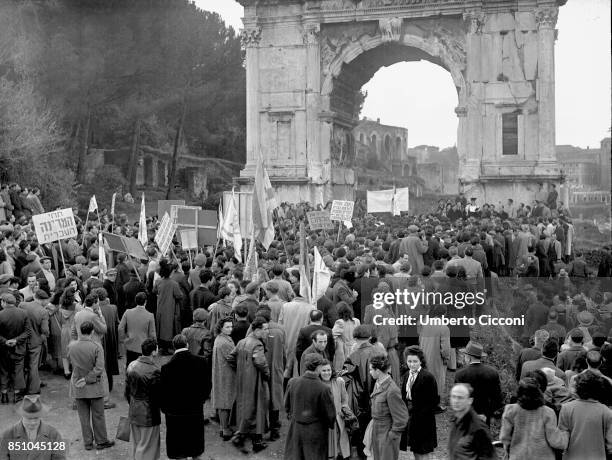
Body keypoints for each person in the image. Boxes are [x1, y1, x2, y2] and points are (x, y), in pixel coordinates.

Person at [159, 334, 208, 460]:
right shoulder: (201, 362)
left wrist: (166, 410)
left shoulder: (166, 368)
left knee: (179, 451)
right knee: (196, 449)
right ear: (187, 345)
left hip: (175, 415)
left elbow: (163, 392)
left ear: (174, 346)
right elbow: (207, 385)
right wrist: (200, 400)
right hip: (195, 411)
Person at [67, 321, 114, 451]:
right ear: (92, 332)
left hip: (78, 385)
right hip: (94, 386)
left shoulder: (71, 346)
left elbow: (70, 361)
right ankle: (101, 441)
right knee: (98, 415)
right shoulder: (97, 346)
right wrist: (87, 379)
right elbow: (99, 368)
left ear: (80, 331)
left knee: (83, 417)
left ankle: (88, 442)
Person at [227, 318, 270, 454]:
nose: (267, 332)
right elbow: (260, 362)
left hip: (242, 380)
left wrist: (239, 369)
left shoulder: (241, 342)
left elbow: (230, 357)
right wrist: (267, 374)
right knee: (258, 408)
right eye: (265, 329)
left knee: (246, 407)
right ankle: (251, 440)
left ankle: (244, 436)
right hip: (255, 380)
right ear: (257, 330)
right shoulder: (257, 344)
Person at [499, 378, 568, 460]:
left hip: (519, 456)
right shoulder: (548, 412)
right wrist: (565, 435)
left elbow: (504, 437)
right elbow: (554, 441)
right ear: (538, 392)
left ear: (519, 392)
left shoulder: (510, 410)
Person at [284, 353, 336, 460]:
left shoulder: (293, 382)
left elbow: (286, 406)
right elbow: (331, 416)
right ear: (318, 367)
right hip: (316, 432)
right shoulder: (323, 388)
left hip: (296, 430)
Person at [558, 371, 612, 460]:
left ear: (578, 388)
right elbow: (610, 444)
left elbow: (562, 440)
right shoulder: (606, 411)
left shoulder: (566, 408)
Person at [366, 353, 408, 460]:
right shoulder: (378, 383)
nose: (370, 372)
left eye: (371, 369)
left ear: (378, 371)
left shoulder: (392, 390)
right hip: (377, 430)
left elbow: (401, 417)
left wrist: (392, 435)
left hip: (386, 432)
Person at [400, 346, 439, 460]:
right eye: (409, 361)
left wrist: (420, 413)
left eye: (415, 361)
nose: (412, 364)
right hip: (412, 418)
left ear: (421, 361)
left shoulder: (427, 377)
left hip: (424, 420)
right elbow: (404, 395)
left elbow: (434, 401)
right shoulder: (407, 375)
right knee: (415, 449)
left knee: (424, 450)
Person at [125, 338, 161, 460]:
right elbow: (158, 395)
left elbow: (127, 391)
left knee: (137, 444)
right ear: (153, 352)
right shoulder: (154, 371)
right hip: (148, 414)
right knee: (147, 447)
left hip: (134, 410)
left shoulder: (131, 365)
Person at [0, 394, 66, 459]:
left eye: (36, 418)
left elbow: (60, 458)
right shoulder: (8, 435)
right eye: (29, 418)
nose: (32, 422)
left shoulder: (53, 434)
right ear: (22, 415)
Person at [454, 341, 503, 426]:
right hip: (484, 417)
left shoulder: (460, 374)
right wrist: (488, 414)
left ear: (468, 357)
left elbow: (458, 398)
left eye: (465, 355)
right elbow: (497, 398)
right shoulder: (492, 372)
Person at [447, 383, 494, 460]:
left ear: (470, 400)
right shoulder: (455, 420)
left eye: (460, 398)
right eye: (453, 396)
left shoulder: (478, 429)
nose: (456, 401)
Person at [319, 359, 353, 460]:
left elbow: (344, 400)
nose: (327, 373)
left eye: (328, 370)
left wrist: (344, 410)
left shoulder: (339, 381)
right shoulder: (317, 384)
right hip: (323, 423)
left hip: (338, 420)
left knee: (339, 449)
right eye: (323, 370)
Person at [418, 305, 450, 408]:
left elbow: (419, 340)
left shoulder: (425, 324)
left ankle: (424, 402)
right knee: (437, 380)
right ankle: (435, 405)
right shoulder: (444, 327)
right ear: (444, 314)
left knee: (424, 379)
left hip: (423, 355)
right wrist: (446, 358)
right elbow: (445, 348)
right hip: (436, 357)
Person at [0, 293, 30, 404]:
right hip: (19, 348)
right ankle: (17, 395)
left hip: (3, 349)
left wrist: (5, 341)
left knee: (4, 371)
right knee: (18, 371)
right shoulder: (23, 313)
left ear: (4, 302)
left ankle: (4, 395)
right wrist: (16, 340)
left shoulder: (0, 315)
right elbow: (27, 332)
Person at [19, 289, 49, 395]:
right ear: (43, 300)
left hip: (22, 341)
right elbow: (45, 331)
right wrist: (43, 337)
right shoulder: (43, 311)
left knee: (21, 365)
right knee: (33, 366)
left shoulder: (22, 305)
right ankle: (33, 389)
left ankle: (19, 389)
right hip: (35, 342)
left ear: (35, 297)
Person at [211, 317, 236, 441]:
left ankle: (223, 427)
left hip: (221, 373)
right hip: (226, 374)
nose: (230, 329)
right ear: (221, 328)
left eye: (231, 326)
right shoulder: (225, 342)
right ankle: (225, 429)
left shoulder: (219, 339)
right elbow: (232, 358)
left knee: (222, 400)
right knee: (225, 402)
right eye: (227, 327)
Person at [119, 292, 156, 368]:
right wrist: (154, 347)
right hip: (144, 347)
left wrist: (123, 339)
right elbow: (152, 334)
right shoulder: (150, 315)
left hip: (130, 344)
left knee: (129, 367)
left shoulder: (128, 312)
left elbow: (120, 328)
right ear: (145, 301)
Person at [154, 261, 183, 354]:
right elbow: (179, 295)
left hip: (160, 307)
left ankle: (162, 346)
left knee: (160, 327)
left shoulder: (158, 281)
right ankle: (166, 348)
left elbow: (154, 291)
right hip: (170, 308)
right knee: (168, 328)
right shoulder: (174, 283)